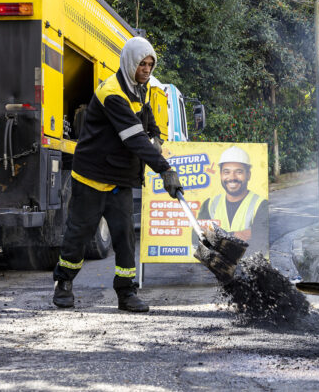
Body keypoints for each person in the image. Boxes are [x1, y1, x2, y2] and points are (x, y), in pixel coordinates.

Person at [52, 37, 183, 312]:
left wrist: (156, 135)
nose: (147, 69)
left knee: (124, 238)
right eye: (142, 64)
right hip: (91, 176)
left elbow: (145, 119)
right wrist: (165, 169)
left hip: (119, 179)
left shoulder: (138, 89)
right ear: (129, 63)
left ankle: (126, 293)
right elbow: (133, 138)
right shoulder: (111, 93)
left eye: (150, 64)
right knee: (78, 235)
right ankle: (63, 285)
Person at [197, 145, 269, 255]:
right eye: (226, 172)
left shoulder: (261, 204)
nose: (232, 177)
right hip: (215, 265)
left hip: (250, 268)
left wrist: (213, 236)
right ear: (220, 175)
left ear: (248, 175)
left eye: (239, 172)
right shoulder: (210, 204)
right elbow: (196, 237)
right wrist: (234, 235)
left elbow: (260, 242)